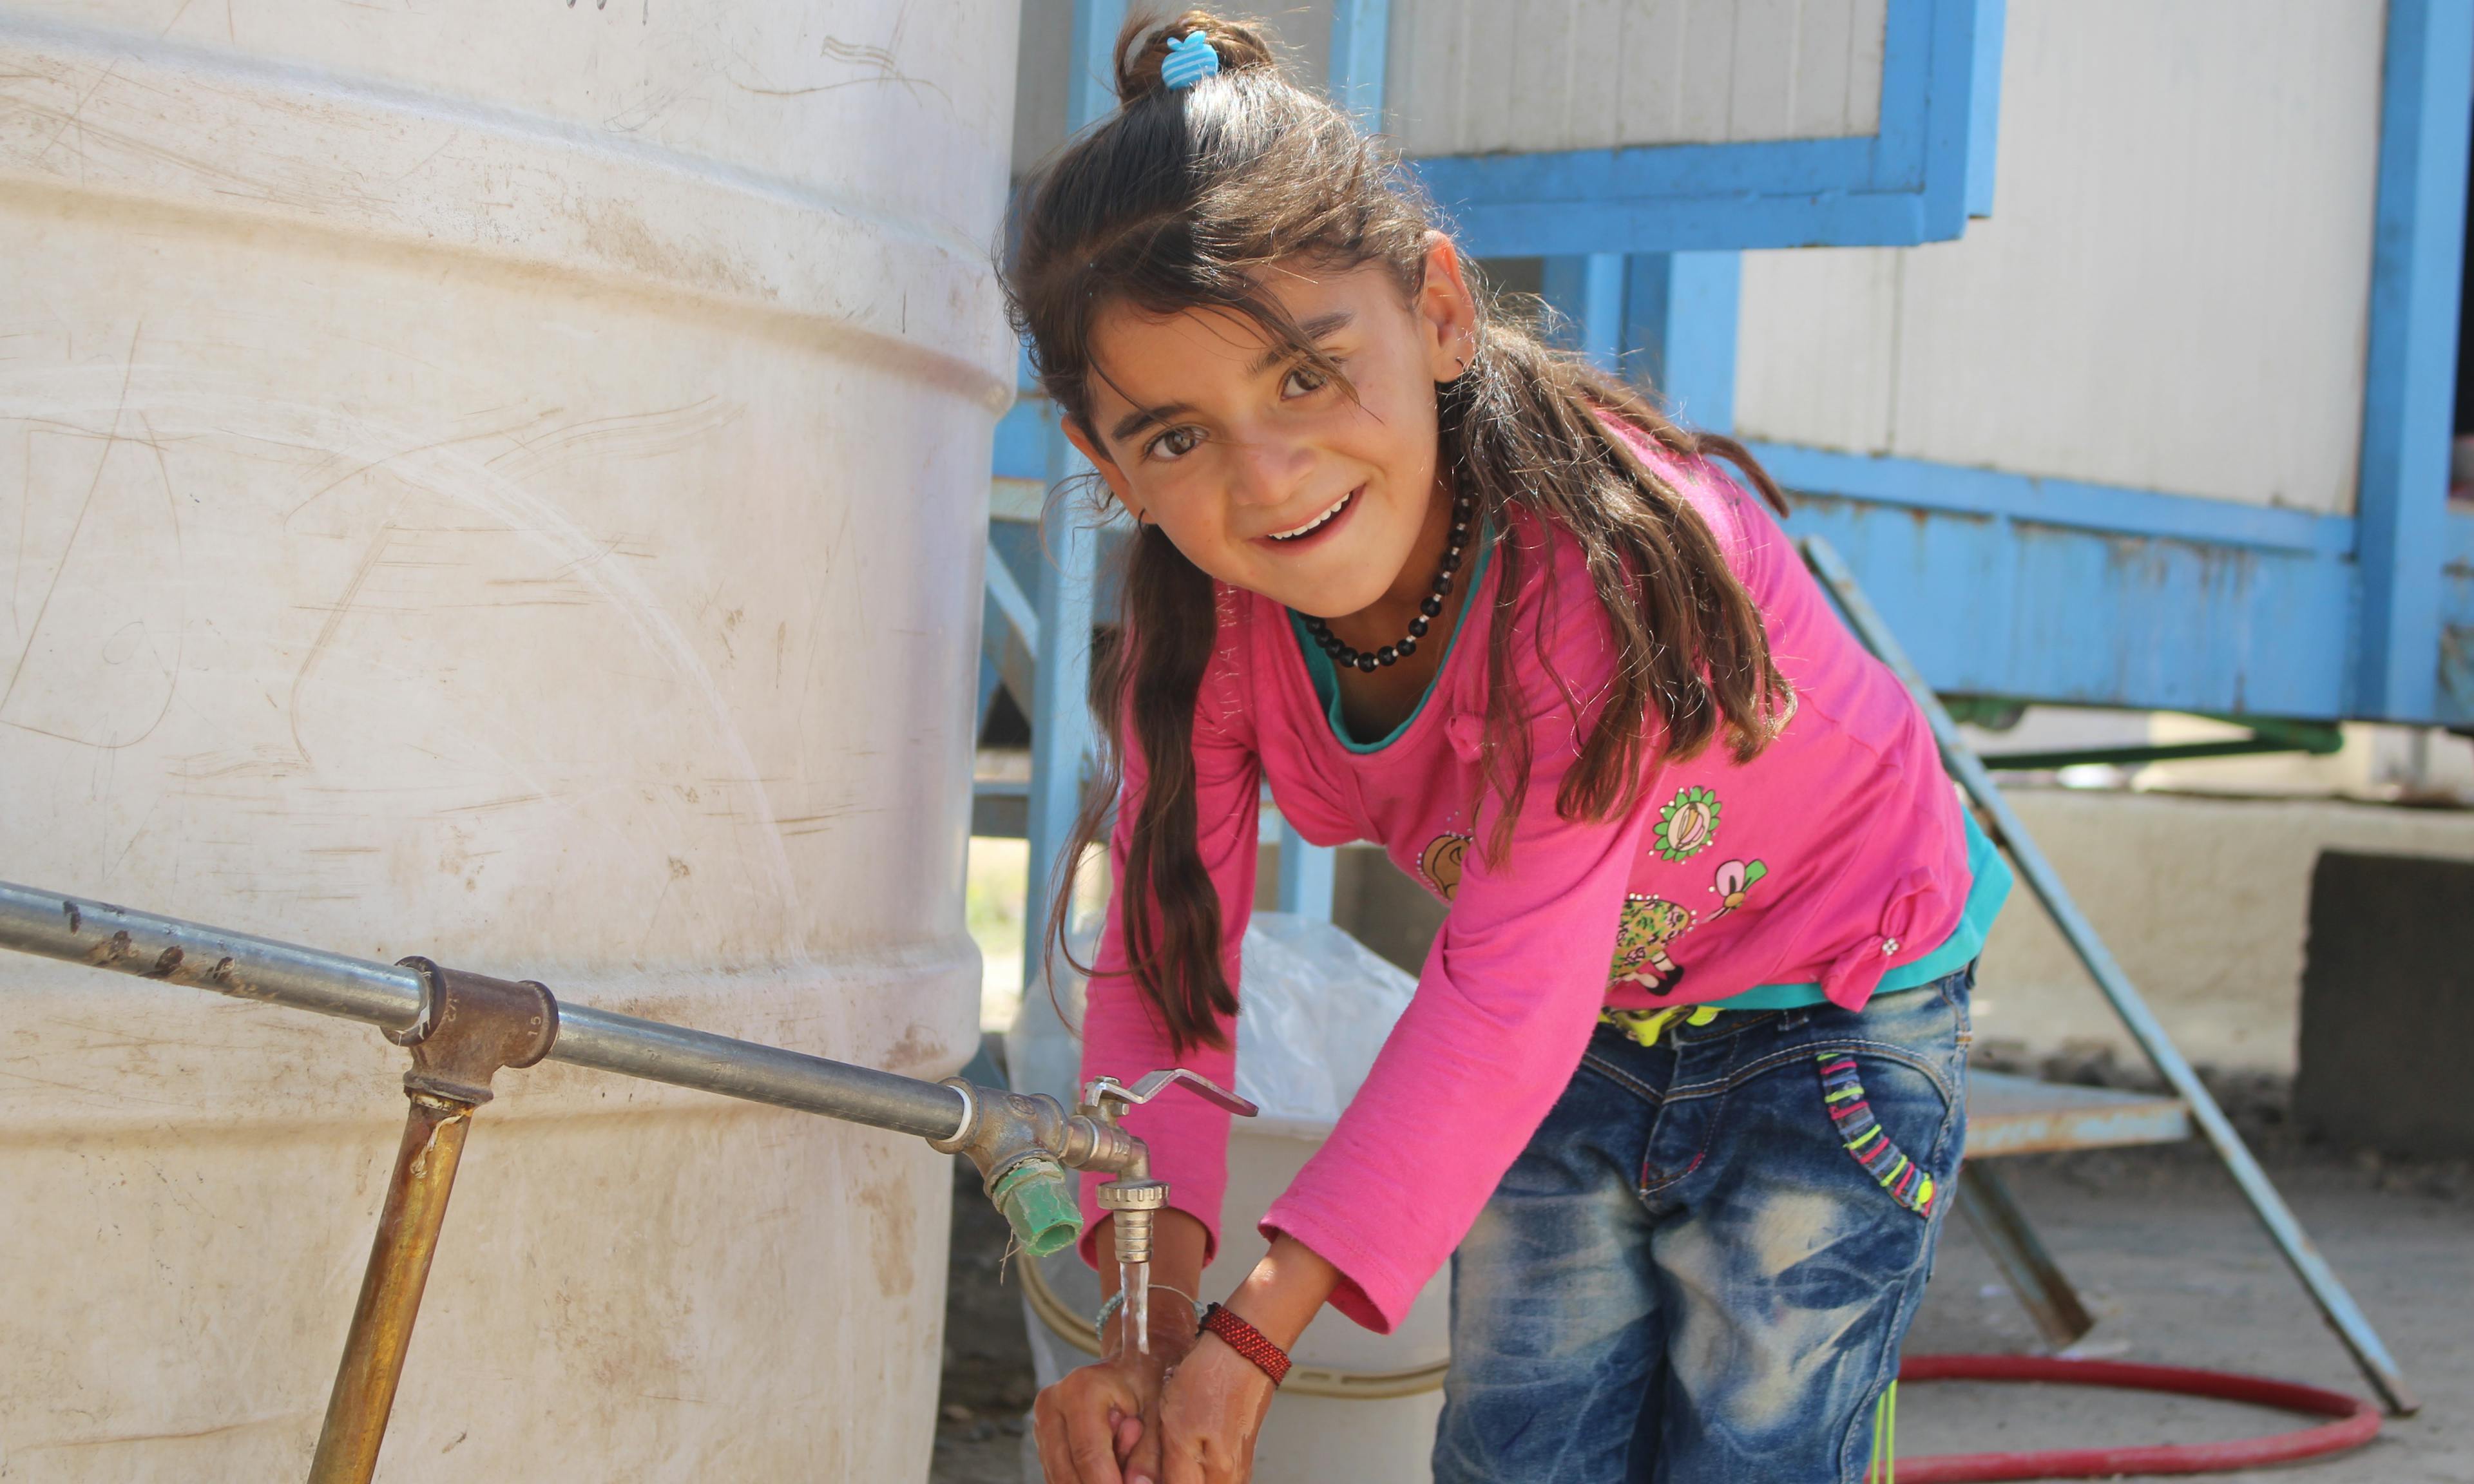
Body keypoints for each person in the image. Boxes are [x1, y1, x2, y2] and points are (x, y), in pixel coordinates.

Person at [1008, 14, 2009, 1483]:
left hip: (1835, 994)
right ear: (1108, 467)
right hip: (1582, 1012)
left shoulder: (1589, 570)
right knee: (1517, 1448)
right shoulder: (1203, 647)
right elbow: (1170, 980)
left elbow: (1499, 1000)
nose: (1266, 477)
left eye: (1303, 375)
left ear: (1440, 312)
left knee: (1757, 1443)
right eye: (1174, 438)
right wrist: (1148, 1330)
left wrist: (1260, 1334)